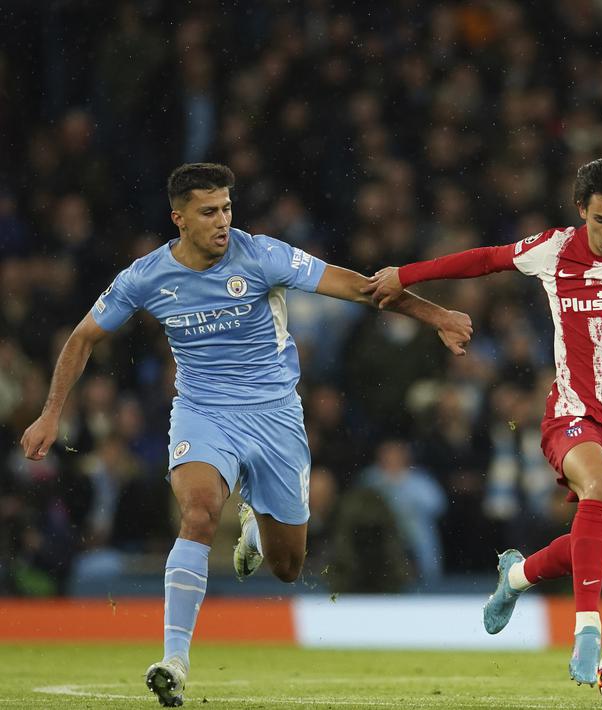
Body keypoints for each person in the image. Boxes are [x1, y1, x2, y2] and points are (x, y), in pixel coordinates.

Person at [19, 163, 472, 708]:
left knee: (288, 566)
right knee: (200, 512)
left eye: (227, 208)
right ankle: (174, 660)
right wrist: (50, 414)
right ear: (179, 219)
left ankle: (256, 526)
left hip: (275, 416)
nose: (223, 221)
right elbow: (84, 336)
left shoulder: (261, 255)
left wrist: (438, 315)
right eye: (209, 212)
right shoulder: (145, 276)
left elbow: (358, 287)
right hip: (203, 412)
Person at [365, 157, 602, 685]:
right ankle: (588, 629)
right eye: (601, 220)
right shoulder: (554, 248)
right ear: (581, 209)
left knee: (596, 546)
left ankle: (513, 576)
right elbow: (484, 260)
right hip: (572, 412)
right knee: (598, 487)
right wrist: (406, 273)